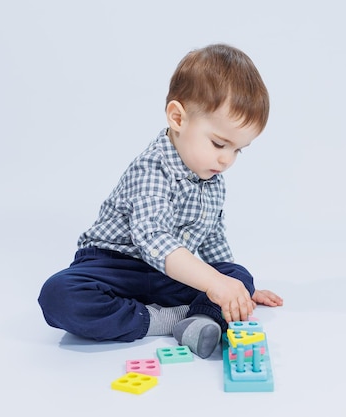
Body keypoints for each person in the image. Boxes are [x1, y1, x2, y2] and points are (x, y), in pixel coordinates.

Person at [38, 43, 283, 359]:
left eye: (237, 150)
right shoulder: (153, 166)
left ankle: (199, 320)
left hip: (171, 274)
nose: (226, 160)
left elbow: (212, 240)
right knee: (61, 296)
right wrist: (215, 284)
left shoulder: (211, 178)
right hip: (118, 265)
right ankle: (163, 319)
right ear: (178, 118)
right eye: (219, 143)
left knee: (239, 274)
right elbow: (153, 240)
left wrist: (233, 287)